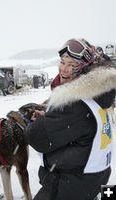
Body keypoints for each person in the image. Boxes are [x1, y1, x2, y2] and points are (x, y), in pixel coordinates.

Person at [23, 38, 116, 200]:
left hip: (67, 184)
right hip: (93, 178)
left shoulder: (74, 103)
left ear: (83, 69)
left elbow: (38, 138)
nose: (63, 69)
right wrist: (52, 117)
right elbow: (80, 126)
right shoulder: (98, 93)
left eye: (71, 65)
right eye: (62, 62)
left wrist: (34, 123)